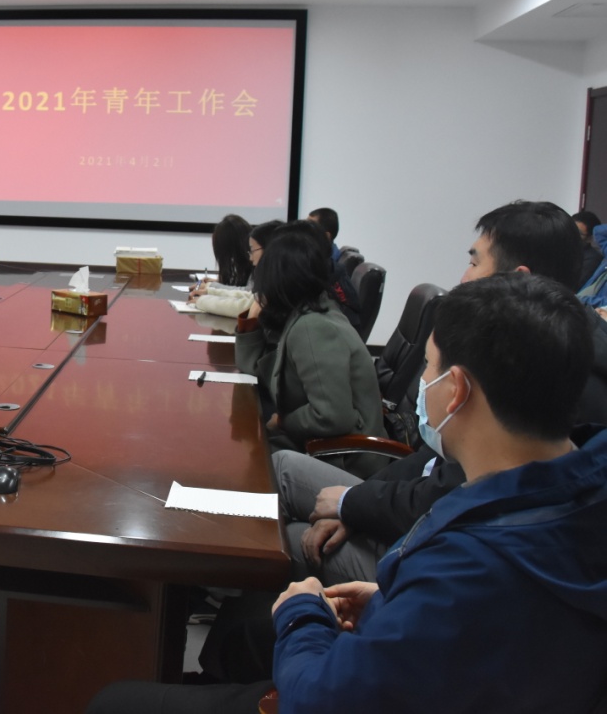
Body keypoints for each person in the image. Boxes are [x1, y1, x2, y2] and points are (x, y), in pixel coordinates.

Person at [90, 273, 607, 714]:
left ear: (456, 390)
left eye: (429, 368)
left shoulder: (467, 568)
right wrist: (389, 603)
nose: (423, 384)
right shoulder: (573, 491)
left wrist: (302, 612)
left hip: (336, 686)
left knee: (113, 701)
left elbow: (318, 699)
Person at [278, 199, 603, 586]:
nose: (464, 278)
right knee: (285, 483)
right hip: (419, 519)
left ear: (517, 277)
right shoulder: (538, 343)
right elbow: (433, 463)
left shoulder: (548, 373)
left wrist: (356, 510)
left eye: (474, 262)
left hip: (440, 552)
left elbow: (461, 494)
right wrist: (358, 508)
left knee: (288, 538)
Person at [235, 220, 382, 451]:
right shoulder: (306, 311)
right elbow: (259, 371)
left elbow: (331, 416)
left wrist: (282, 422)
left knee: (243, 448)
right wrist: (251, 322)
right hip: (321, 444)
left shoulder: (312, 327)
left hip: (341, 456)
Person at [191, 214, 257, 317]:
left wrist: (210, 288)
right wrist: (215, 284)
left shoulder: (259, 264)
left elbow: (248, 292)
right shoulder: (247, 261)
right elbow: (244, 288)